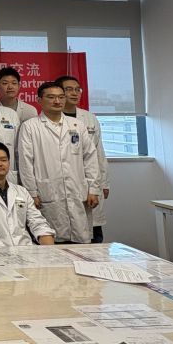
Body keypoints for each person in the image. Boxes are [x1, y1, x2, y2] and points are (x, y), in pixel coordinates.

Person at [18, 82, 100, 244]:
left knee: (80, 243)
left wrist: (93, 188)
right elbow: (26, 162)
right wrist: (31, 192)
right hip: (46, 192)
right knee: (50, 241)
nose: (57, 101)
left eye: (61, 97)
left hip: (78, 191)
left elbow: (90, 157)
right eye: (51, 97)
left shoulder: (77, 125)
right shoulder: (30, 127)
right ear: (39, 100)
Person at [0, 141, 55, 246]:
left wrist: (48, 246)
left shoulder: (21, 191)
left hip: (26, 249)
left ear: (8, 163)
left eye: (3, 160)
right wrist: (9, 254)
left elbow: (37, 222)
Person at [57, 75, 110, 243]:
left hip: (90, 181)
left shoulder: (89, 118)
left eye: (77, 89)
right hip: (64, 182)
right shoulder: (51, 119)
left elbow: (98, 153)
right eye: (68, 89)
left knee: (93, 230)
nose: (74, 93)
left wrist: (104, 183)